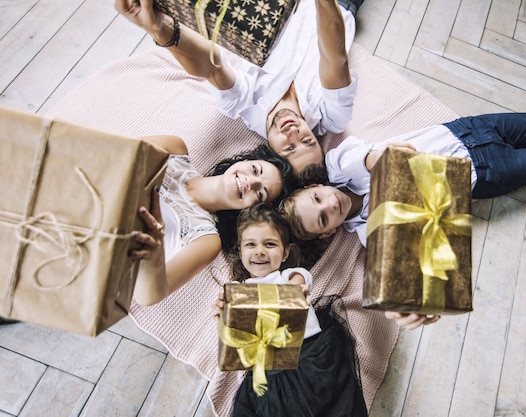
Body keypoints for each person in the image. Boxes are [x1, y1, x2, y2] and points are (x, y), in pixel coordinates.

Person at [279, 112, 526, 328]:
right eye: (323, 217)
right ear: (328, 233)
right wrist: (417, 304)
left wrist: (382, 162)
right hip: (486, 174)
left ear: (315, 185)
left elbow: (379, 157)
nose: (331, 204)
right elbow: (417, 267)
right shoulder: (374, 233)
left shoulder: (340, 165)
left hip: (469, 130)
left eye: (317, 197)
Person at [113, 0, 361, 175]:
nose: (295, 133)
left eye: (289, 147)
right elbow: (333, 56)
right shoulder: (332, 117)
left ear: (270, 150)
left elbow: (211, 67)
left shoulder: (244, 106)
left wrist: (158, 27)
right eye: (307, 140)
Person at [214, 204, 368, 416]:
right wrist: (225, 317)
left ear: (285, 253)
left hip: (307, 354)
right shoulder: (239, 292)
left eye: (270, 244)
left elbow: (293, 291)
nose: (260, 251)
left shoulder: (291, 276)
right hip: (269, 370)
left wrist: (287, 295)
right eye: (251, 244)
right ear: (240, 252)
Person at [128, 135, 297, 306]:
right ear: (245, 160)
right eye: (255, 170)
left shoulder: (207, 240)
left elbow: (148, 296)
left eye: (260, 193)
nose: (250, 182)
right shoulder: (174, 149)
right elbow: (114, 155)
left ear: (252, 209)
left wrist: (152, 247)